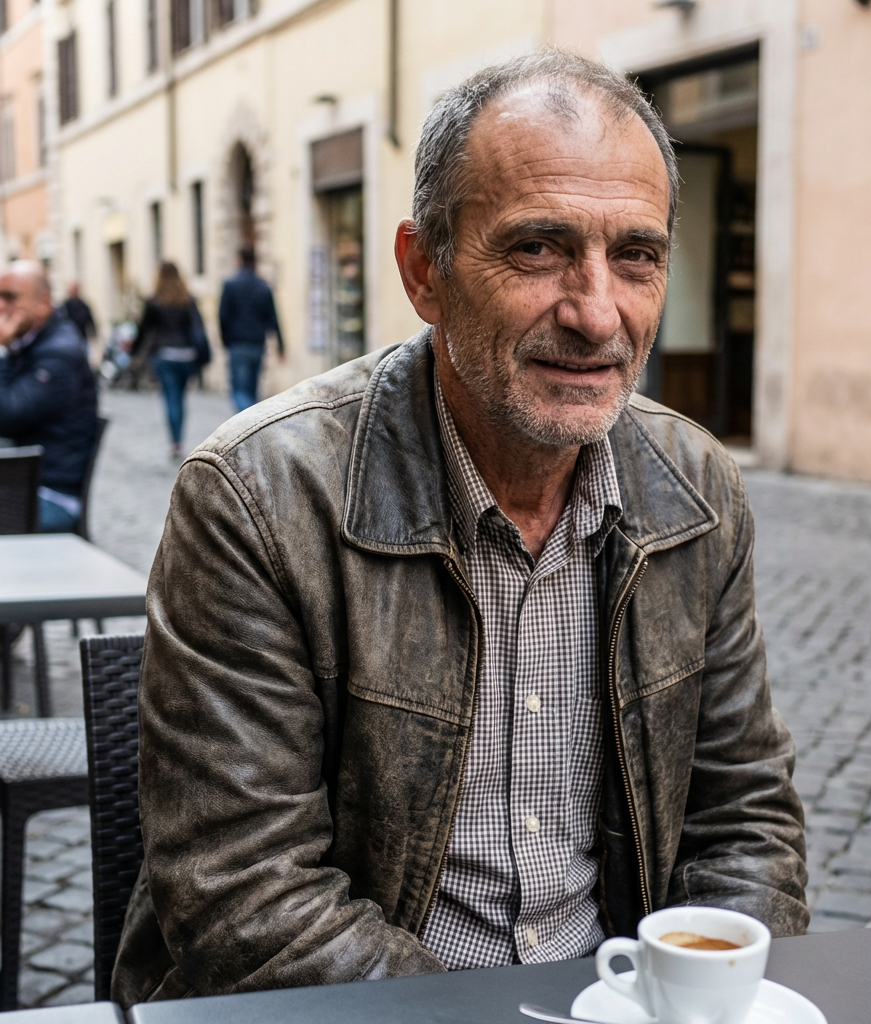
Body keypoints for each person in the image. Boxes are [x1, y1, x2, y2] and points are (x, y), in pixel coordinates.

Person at [113, 51, 806, 1007]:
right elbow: (246, 901)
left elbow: (746, 819)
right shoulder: (259, 496)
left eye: (635, 256)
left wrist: (700, 997)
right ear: (422, 272)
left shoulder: (696, 489)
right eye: (537, 249)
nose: (597, 312)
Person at [0, 261, 98, 532]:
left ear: (43, 303)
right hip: (23, 484)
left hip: (51, 494)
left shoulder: (58, 354)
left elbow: (6, 415)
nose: (1, 306)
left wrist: (1, 352)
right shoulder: (33, 344)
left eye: (10, 297)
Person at [134, 262, 209, 459]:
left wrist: (134, 351)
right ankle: (179, 437)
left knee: (171, 398)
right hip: (186, 356)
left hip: (165, 355)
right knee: (180, 398)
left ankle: (176, 442)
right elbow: (197, 327)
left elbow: (143, 330)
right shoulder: (187, 300)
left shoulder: (154, 301)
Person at [218, 244, 284, 411]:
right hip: (257, 344)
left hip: (238, 344)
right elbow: (273, 318)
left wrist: (226, 341)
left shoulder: (230, 285)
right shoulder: (263, 286)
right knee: (252, 391)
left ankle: (247, 421)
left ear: (239, 260)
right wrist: (281, 346)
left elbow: (223, 316)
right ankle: (251, 424)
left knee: (239, 391)